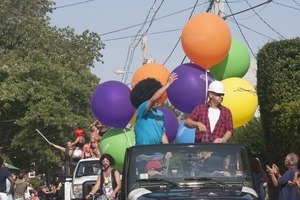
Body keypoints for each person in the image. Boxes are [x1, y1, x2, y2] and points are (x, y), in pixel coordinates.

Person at [129, 72, 178, 145]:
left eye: (159, 98)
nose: (158, 100)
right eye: (157, 97)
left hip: (157, 153)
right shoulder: (142, 109)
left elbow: (163, 135)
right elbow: (153, 99)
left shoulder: (160, 114)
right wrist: (168, 84)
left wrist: (168, 150)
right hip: (142, 153)